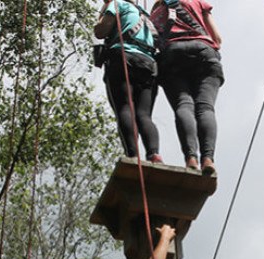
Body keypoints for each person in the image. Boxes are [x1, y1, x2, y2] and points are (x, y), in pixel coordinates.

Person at [150, 0, 223, 174]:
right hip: (203, 51)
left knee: (184, 105)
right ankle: (208, 159)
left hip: (172, 54)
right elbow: (218, 39)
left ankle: (191, 158)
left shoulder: (155, 14)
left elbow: (153, 43)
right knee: (205, 108)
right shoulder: (196, 2)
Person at [95, 0, 163, 162]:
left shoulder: (118, 4)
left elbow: (100, 31)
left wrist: (104, 9)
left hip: (123, 58)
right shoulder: (146, 17)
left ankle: (133, 156)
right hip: (148, 64)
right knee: (144, 115)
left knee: (125, 108)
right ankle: (154, 153)